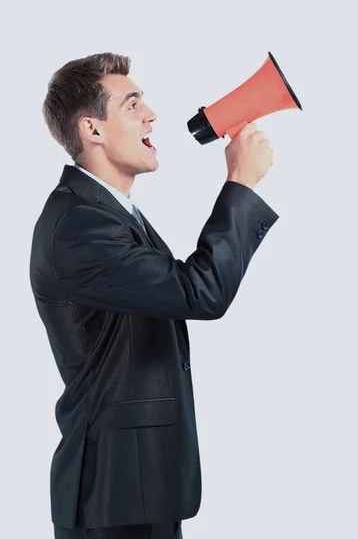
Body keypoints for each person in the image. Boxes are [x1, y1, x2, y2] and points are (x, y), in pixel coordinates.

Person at [29, 52, 279, 539]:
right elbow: (200, 291)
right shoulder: (80, 226)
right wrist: (241, 183)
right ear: (92, 130)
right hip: (114, 493)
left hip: (138, 486)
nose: (151, 115)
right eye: (132, 104)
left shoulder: (108, 213)